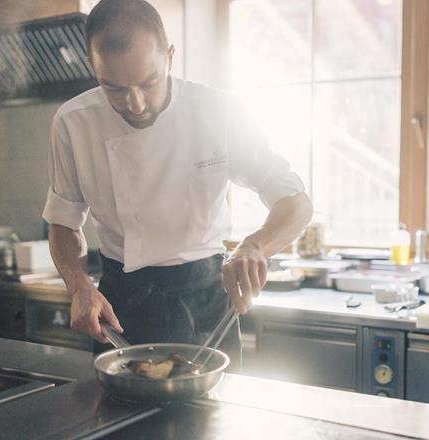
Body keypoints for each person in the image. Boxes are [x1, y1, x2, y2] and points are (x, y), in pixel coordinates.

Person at [41, 0, 312, 368]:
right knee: (117, 421)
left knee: (214, 421)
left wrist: (256, 247)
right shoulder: (72, 123)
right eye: (114, 88)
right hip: (121, 306)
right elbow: (64, 222)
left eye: (148, 83)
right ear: (94, 67)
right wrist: (78, 285)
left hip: (206, 301)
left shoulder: (219, 112)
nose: (135, 104)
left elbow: (295, 202)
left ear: (170, 57)